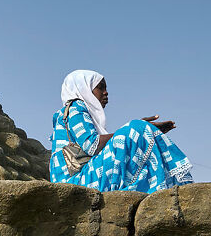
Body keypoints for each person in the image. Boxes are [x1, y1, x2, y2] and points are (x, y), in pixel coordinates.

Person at [49, 70, 193, 192]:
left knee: (137, 133)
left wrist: (138, 133)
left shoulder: (77, 112)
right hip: (76, 180)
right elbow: (92, 145)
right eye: (100, 87)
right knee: (136, 128)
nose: (106, 93)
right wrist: (133, 131)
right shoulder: (75, 107)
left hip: (80, 177)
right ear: (84, 88)